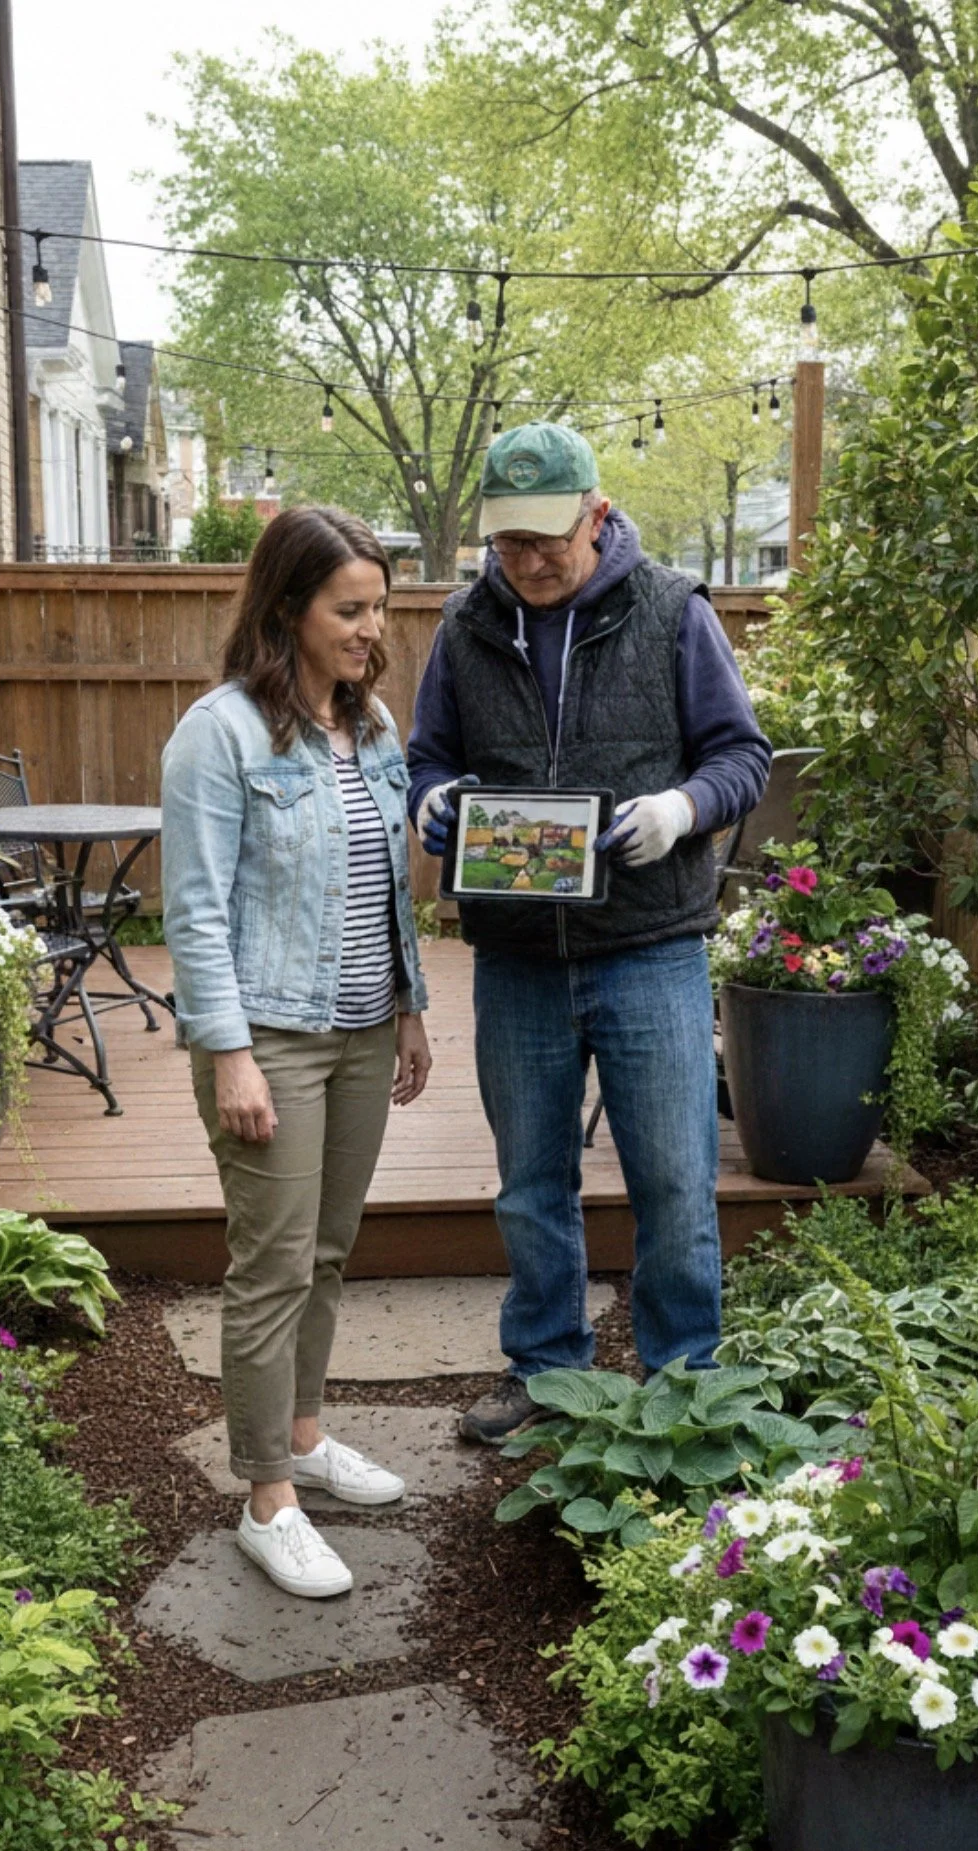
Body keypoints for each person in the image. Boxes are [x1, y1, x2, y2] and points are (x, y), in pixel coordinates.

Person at [408, 423, 771, 1444]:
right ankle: (546, 1369)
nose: (523, 560)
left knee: (671, 1176)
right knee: (530, 1181)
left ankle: (681, 1380)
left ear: (595, 514)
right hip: (517, 956)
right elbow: (426, 755)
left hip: (650, 943)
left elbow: (741, 755)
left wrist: (679, 810)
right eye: (505, 540)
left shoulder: (670, 612)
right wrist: (434, 803)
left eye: (544, 539)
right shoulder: (464, 624)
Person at [161, 505, 432, 1597]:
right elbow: (192, 911)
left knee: (326, 1250)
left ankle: (307, 1438)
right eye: (350, 609)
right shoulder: (217, 734)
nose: (374, 629)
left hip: (365, 1028)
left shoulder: (373, 730)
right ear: (287, 610)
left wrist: (408, 1007)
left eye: (379, 607)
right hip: (269, 1033)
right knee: (270, 1266)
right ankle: (265, 1495)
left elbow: (384, 889)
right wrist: (229, 1054)